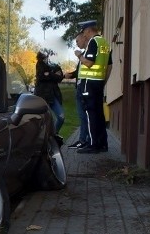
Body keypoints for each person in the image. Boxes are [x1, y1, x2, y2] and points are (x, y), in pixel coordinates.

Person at [72, 20, 111, 154]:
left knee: (90, 115)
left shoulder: (94, 42)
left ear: (88, 30)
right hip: (98, 83)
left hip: (89, 84)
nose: (84, 36)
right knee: (99, 114)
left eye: (84, 33)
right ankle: (102, 144)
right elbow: (109, 66)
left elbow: (88, 63)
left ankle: (92, 145)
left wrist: (79, 55)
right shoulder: (104, 43)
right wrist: (103, 81)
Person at [64, 32, 90, 149]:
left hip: (85, 89)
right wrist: (70, 75)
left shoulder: (86, 54)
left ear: (84, 39)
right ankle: (82, 139)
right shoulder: (84, 54)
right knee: (82, 116)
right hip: (80, 88)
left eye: (77, 41)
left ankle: (85, 140)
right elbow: (79, 72)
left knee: (84, 116)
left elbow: (89, 66)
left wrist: (79, 56)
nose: (76, 43)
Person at [34, 50, 65, 135]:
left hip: (54, 94)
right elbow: (41, 77)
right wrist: (53, 75)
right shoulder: (39, 64)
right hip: (42, 95)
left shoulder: (55, 64)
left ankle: (53, 134)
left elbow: (60, 78)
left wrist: (49, 74)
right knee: (45, 119)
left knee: (61, 117)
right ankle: (45, 138)